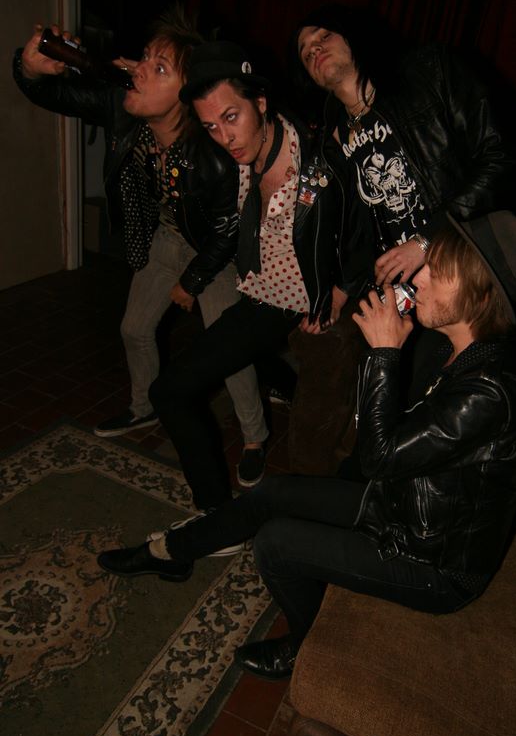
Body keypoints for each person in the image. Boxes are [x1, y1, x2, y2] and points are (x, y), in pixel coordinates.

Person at [98, 209, 516, 680]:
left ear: (481, 294)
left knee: (275, 543)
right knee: (271, 492)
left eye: (439, 272)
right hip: (401, 509)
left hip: (433, 563)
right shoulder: (450, 347)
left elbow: (379, 458)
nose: (418, 278)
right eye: (427, 265)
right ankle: (169, 553)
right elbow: (387, 445)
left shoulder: (492, 391)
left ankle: (307, 646)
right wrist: (385, 353)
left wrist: (385, 353)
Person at [13, 11, 269, 489]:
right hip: (168, 236)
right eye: (145, 58)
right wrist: (29, 68)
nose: (139, 69)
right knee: (134, 328)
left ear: (186, 95)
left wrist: (191, 282)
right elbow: (54, 94)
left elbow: (227, 232)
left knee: (226, 350)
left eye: (159, 67)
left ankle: (255, 437)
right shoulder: (122, 106)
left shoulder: (213, 154)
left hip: (215, 253)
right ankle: (144, 406)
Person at [137, 40, 368, 512]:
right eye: (211, 126)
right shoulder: (232, 156)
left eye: (231, 117)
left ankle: (288, 510)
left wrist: (341, 292)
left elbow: (367, 228)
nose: (225, 136)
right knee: (169, 390)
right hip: (263, 297)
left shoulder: (318, 159)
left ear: (260, 103)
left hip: (309, 301)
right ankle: (214, 511)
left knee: (312, 445)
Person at [293, 3, 516, 287]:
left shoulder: (428, 71)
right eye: (306, 53)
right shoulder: (330, 142)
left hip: (466, 264)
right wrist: (345, 287)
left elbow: (502, 157)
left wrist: (428, 239)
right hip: (405, 287)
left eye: (324, 36)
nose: (314, 49)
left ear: (351, 34)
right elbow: (357, 229)